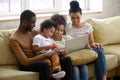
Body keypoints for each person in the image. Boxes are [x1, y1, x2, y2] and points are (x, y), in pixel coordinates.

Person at [65, 1, 107, 80]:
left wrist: (92, 45)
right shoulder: (67, 27)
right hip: (75, 53)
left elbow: (92, 42)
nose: (75, 20)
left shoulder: (87, 26)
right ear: (69, 16)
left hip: (86, 50)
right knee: (79, 68)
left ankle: (103, 78)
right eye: (72, 18)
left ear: (81, 15)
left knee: (100, 49)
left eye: (78, 17)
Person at [9, 10, 51, 80]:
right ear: (24, 22)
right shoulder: (14, 39)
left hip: (38, 59)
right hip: (27, 65)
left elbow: (47, 37)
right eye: (32, 23)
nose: (34, 25)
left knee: (65, 59)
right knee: (44, 64)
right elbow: (25, 62)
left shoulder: (32, 32)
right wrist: (44, 55)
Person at [51, 14, 88, 80]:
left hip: (75, 59)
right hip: (65, 62)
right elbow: (50, 54)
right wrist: (60, 52)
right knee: (75, 69)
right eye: (57, 30)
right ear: (52, 28)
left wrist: (85, 46)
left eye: (61, 30)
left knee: (84, 67)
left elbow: (78, 46)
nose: (59, 32)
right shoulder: (50, 41)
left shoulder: (68, 37)